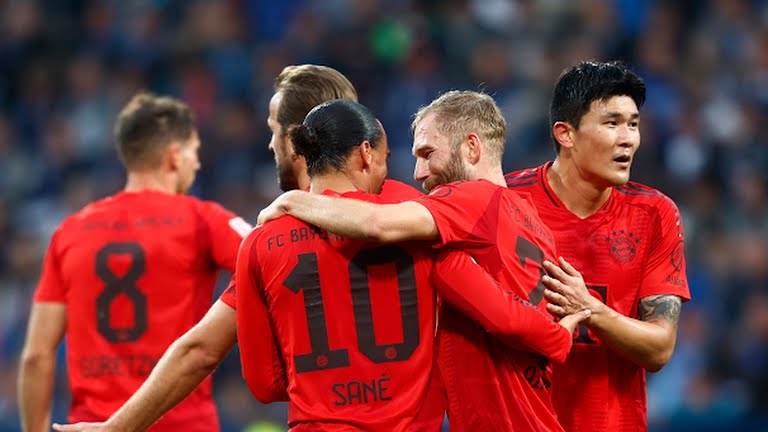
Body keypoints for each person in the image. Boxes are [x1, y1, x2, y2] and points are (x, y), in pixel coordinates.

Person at [50, 64, 431, 432]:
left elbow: (210, 356)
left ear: (298, 138)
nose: (269, 143)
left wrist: (117, 427)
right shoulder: (417, 216)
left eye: (273, 130)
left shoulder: (271, 239)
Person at [238, 98, 583, 431]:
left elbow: (265, 384)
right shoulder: (414, 215)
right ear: (366, 153)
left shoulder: (258, 242)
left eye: (425, 155)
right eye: (391, 158)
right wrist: (558, 333)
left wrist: (326, 387)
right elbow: (488, 300)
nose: (416, 174)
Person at [18, 93, 251, 432]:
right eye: (194, 152)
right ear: (174, 156)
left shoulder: (70, 232)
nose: (197, 164)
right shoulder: (203, 220)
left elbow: (36, 357)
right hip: (183, 425)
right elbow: (269, 260)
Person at [509, 60, 690, 431]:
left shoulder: (655, 214)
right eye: (612, 123)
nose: (628, 139)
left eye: (634, 124)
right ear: (566, 134)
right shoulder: (504, 202)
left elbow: (660, 348)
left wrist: (591, 310)